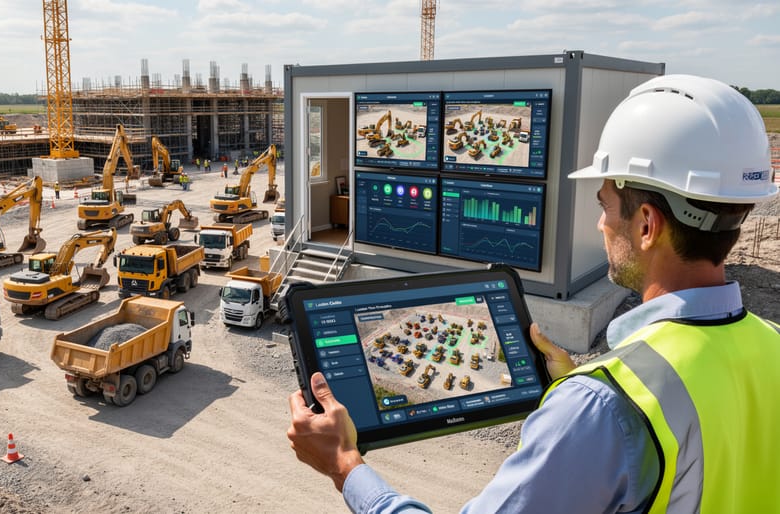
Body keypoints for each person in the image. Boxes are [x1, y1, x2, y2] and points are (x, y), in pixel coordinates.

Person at [287, 74, 780, 513]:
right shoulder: (771, 344)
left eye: (605, 205)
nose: (600, 224)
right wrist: (581, 379)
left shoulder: (603, 409)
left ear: (647, 225)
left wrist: (345, 467)